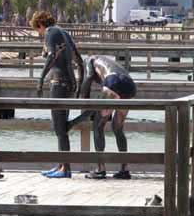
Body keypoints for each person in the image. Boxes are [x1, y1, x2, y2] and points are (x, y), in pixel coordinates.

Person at [30, 10, 84, 179]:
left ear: (40, 25)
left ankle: (65, 169)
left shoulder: (49, 32)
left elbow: (52, 56)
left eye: (37, 30)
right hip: (69, 83)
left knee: (59, 128)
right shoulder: (64, 33)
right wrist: (79, 85)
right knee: (62, 127)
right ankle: (62, 165)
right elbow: (79, 61)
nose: (39, 34)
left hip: (58, 82)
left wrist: (40, 79)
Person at [68, 55, 137, 180]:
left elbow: (88, 79)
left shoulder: (90, 60)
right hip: (130, 84)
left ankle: (100, 169)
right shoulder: (108, 62)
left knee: (98, 125)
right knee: (118, 128)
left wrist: (81, 99)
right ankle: (124, 169)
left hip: (113, 81)